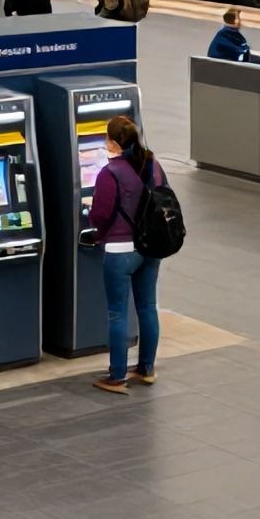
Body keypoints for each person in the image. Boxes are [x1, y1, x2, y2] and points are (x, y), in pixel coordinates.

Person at [86, 115, 164, 394]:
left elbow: (101, 214)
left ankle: (117, 376)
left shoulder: (110, 173)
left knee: (118, 313)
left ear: (113, 143)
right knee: (147, 307)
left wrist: (91, 217)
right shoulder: (152, 164)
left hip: (120, 250)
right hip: (150, 246)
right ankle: (146, 369)